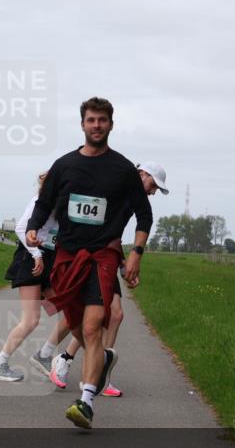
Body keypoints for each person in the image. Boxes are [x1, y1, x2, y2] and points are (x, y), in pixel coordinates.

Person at [25, 97, 152, 429]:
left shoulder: (123, 169)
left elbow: (144, 214)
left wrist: (136, 253)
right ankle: (82, 365)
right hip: (67, 256)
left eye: (103, 120)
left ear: (111, 124)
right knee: (80, 326)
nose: (97, 125)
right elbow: (43, 204)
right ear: (82, 124)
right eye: (91, 120)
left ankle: (86, 401)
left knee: (95, 325)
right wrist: (31, 229)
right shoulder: (64, 166)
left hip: (102, 256)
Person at [49, 161, 170, 397]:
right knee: (104, 314)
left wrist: (125, 261)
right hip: (92, 256)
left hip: (108, 256)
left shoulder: (134, 198)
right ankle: (87, 373)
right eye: (153, 184)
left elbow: (115, 231)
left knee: (112, 315)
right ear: (142, 174)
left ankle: (78, 366)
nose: (153, 191)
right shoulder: (116, 187)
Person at [0, 173, 65, 382]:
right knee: (31, 319)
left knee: (69, 311)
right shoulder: (39, 201)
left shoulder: (62, 206)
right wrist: (36, 254)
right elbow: (21, 228)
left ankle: (44, 355)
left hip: (48, 262)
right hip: (31, 259)